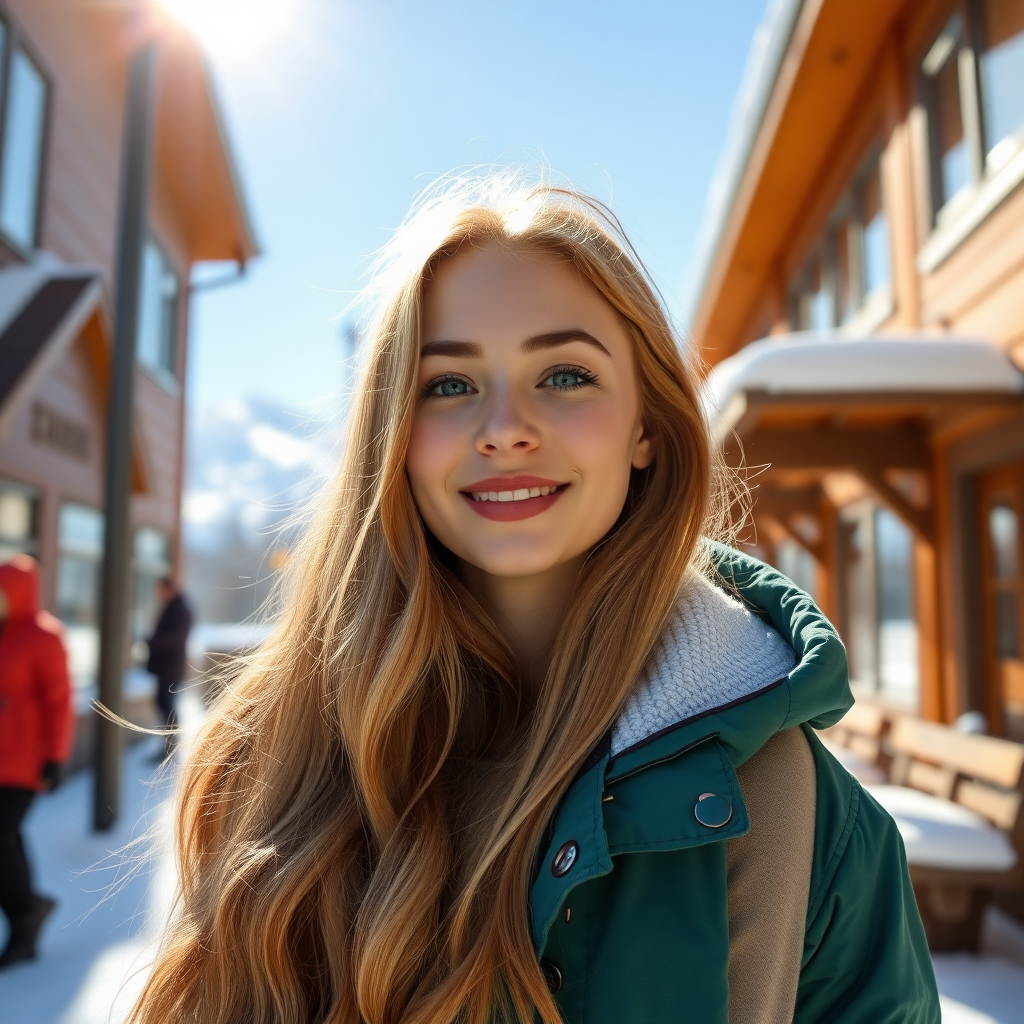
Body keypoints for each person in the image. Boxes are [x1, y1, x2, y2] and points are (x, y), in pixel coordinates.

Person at [129, 176, 939, 1024]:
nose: (505, 427)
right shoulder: (270, 757)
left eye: (564, 374)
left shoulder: (802, 821)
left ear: (646, 428)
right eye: (448, 384)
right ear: (392, 439)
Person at [0, 555, 73, 969]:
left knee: (0, 837)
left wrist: (55, 756)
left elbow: (59, 701)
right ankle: (30, 905)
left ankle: (23, 920)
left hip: (25, 762)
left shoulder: (44, 636)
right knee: (7, 838)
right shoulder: (2, 633)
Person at [145, 576, 192, 759]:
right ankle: (169, 744)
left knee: (168, 706)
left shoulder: (180, 610)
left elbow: (175, 638)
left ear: (169, 589)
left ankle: (170, 746)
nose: (159, 594)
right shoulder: (174, 608)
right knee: (164, 705)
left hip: (170, 668)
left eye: (161, 590)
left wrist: (152, 643)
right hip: (167, 667)